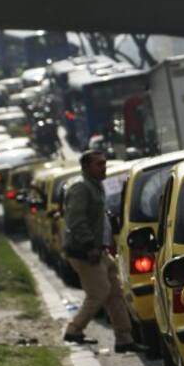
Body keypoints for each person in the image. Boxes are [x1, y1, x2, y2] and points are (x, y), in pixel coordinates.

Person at [61, 150, 143, 352]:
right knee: (98, 293)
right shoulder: (81, 187)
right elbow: (75, 221)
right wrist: (89, 245)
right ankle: (74, 330)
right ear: (86, 167)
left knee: (115, 292)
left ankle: (124, 339)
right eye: (99, 164)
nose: (104, 168)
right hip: (85, 252)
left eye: (104, 163)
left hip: (99, 250)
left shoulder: (94, 185)